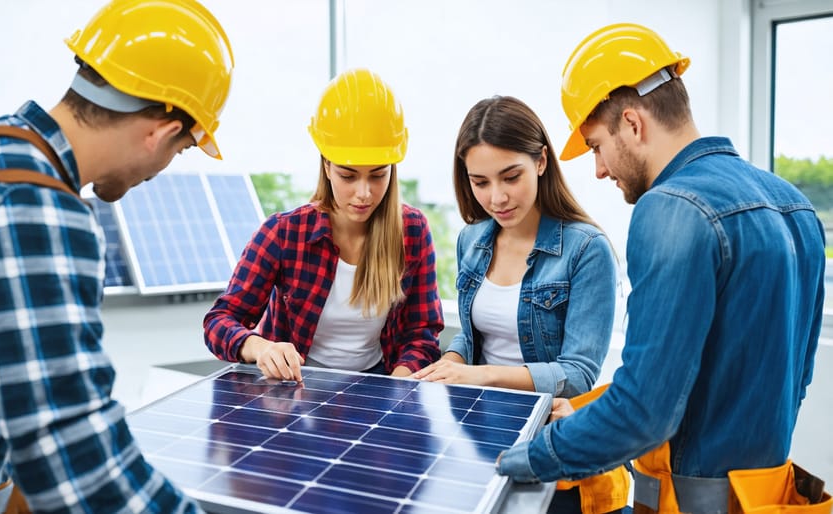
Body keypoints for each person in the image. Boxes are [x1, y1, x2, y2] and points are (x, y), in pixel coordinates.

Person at [496, 23, 827, 514]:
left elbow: (644, 414)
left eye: (595, 146)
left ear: (632, 123)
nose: (600, 169)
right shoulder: (795, 207)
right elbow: (777, 378)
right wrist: (588, 411)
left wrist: (526, 458)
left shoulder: (671, 209)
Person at [0, 0, 234, 512]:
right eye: (179, 151)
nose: (160, 170)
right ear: (158, 134)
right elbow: (69, 453)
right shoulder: (35, 205)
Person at [412, 95, 626, 514]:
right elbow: (472, 342)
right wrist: (448, 366)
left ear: (542, 161)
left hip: (553, 447)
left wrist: (479, 375)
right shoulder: (472, 240)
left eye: (511, 177)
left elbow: (578, 376)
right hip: (482, 438)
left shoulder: (586, 250)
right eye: (481, 182)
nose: (497, 198)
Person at [203, 68, 443, 382]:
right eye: (348, 175)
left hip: (381, 382)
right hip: (295, 388)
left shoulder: (412, 231)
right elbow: (219, 321)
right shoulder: (284, 233)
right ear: (326, 165)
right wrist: (259, 347)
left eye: (378, 174)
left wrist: (397, 385)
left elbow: (421, 331)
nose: (363, 193)